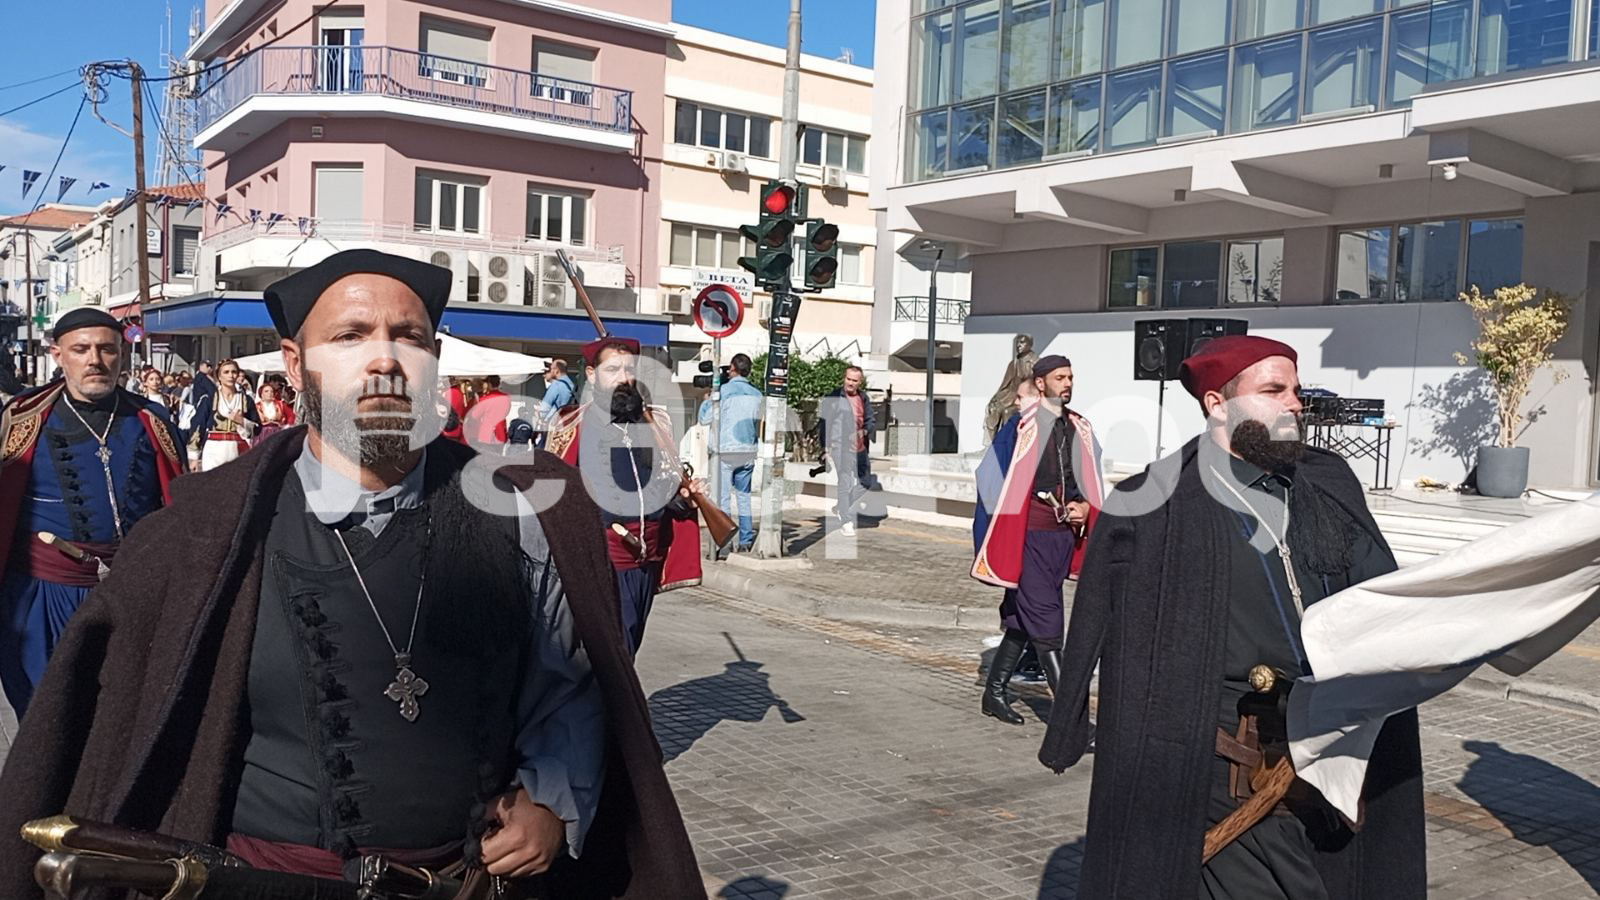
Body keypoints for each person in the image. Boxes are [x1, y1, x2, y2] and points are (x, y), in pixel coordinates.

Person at [0, 249, 705, 899]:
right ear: (295, 362)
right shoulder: (207, 532)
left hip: (467, 883)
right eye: (350, 336)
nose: (385, 359)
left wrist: (552, 799)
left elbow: (568, 685)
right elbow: (109, 731)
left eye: (410, 337)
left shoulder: (522, 511)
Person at [1038, 335, 1424, 899]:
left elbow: (1382, 594)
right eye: (1274, 390)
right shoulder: (1157, 504)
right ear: (1217, 404)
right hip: (1221, 756)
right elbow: (1096, 613)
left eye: (1295, 389)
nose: (1295, 403)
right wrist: (1067, 726)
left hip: (1338, 745)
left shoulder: (1325, 483)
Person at [0, 309, 185, 764]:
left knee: (121, 723)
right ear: (57, 354)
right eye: (81, 349)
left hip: (131, 594)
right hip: (43, 596)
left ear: (122, 354)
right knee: (47, 724)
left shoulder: (153, 420)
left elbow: (176, 504)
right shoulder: (21, 420)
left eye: (106, 349)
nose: (95, 360)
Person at [546, 337, 704, 655]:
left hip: (648, 560)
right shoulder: (572, 425)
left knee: (628, 645)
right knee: (613, 651)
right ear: (592, 375)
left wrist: (684, 499)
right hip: (602, 557)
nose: (623, 377)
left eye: (629, 369)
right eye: (612, 370)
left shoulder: (654, 423)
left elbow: (662, 489)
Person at [971, 355, 1105, 724]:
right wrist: (1006, 522)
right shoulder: (1019, 428)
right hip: (1026, 538)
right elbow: (989, 479)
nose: (1068, 383)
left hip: (1061, 538)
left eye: (1071, 377)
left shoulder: (1079, 427)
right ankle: (1073, 720)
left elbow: (1088, 480)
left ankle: (994, 693)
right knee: (1047, 624)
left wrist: (1084, 506)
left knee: (1023, 619)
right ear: (1041, 383)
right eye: (1060, 377)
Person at [697, 353, 763, 550]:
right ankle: (745, 541)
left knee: (723, 499)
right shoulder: (757, 394)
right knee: (744, 498)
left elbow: (704, 419)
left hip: (725, 451)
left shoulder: (723, 391)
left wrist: (707, 399)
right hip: (748, 451)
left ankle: (725, 544)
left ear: (733, 368)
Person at [817, 365, 877, 537]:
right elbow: (824, 422)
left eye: (854, 380)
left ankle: (840, 507)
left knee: (866, 482)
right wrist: (824, 447)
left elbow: (870, 420)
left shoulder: (863, 398)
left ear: (860, 382)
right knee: (845, 482)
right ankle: (846, 520)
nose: (850, 383)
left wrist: (865, 431)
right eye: (848, 379)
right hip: (839, 446)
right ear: (844, 378)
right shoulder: (834, 397)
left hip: (859, 446)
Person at [190, 358, 261, 471]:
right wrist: (194, 457)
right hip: (214, 449)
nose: (230, 376)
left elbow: (257, 429)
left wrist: (242, 421)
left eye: (234, 372)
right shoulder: (209, 399)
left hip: (238, 449)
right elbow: (198, 425)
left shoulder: (246, 399)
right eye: (226, 372)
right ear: (219, 376)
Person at [984, 333, 1040, 442]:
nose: (1018, 345)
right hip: (1011, 395)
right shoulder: (1013, 363)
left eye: (1022, 342)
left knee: (1007, 413)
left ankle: (1007, 443)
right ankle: (991, 446)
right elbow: (1006, 384)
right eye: (1017, 342)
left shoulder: (1036, 362)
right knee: (993, 408)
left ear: (1030, 345)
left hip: (1027, 398)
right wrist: (996, 398)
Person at [537, 359, 576, 444]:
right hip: (565, 423)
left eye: (551, 369)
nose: (550, 371)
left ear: (556, 370)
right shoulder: (571, 385)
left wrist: (541, 417)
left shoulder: (556, 385)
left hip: (552, 424)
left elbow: (545, 407)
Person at [466, 375, 511, 447]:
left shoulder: (485, 399)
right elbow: (507, 412)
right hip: (501, 432)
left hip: (487, 434)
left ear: (489, 384)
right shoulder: (506, 397)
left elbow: (475, 416)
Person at [254, 380, 295, 445]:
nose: (269, 393)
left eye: (271, 391)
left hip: (277, 432)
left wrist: (286, 427)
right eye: (266, 391)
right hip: (262, 433)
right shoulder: (256, 406)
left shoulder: (280, 405)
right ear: (261, 394)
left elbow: (291, 416)